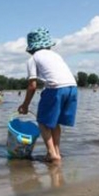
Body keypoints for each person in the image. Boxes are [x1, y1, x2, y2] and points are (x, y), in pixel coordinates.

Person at [18, 28, 78, 162]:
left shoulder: (33, 59)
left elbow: (32, 86)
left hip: (55, 89)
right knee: (55, 122)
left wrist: (25, 105)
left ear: (31, 48)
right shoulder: (56, 55)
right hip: (72, 88)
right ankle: (56, 152)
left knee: (43, 122)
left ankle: (52, 154)